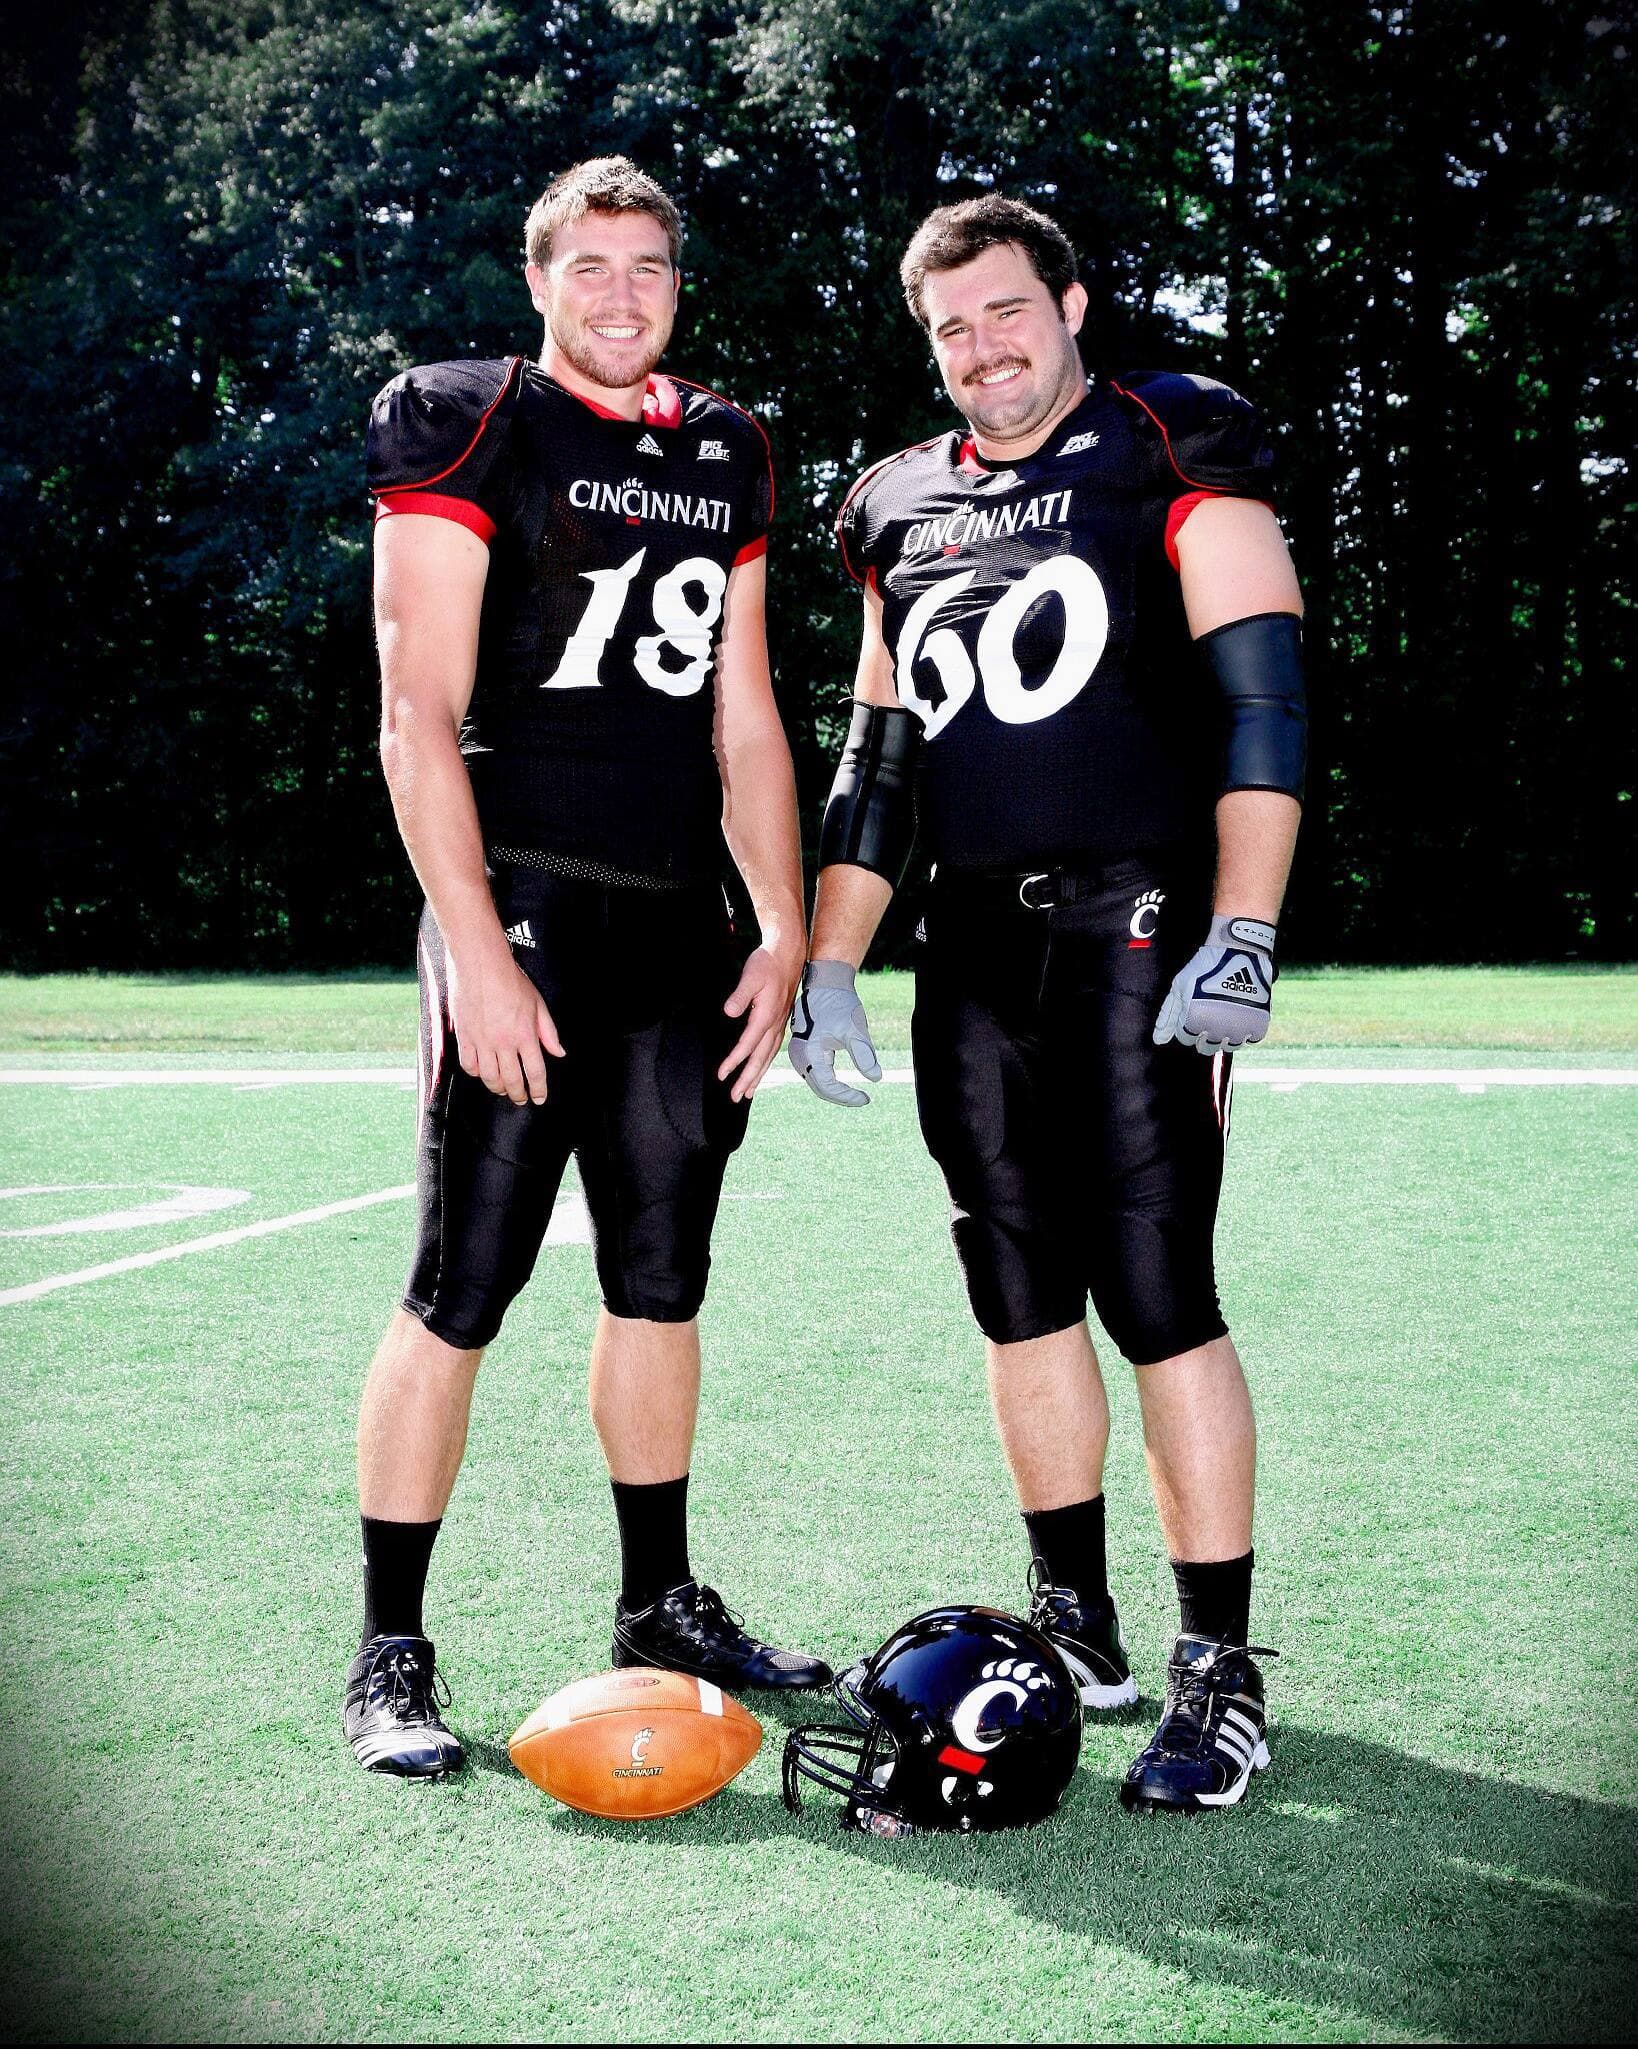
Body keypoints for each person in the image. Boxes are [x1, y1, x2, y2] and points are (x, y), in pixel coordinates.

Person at [790, 195, 1306, 1814]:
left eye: (1006, 312)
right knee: (1012, 1286)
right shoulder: (891, 501)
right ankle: (1072, 1611)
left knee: (1157, 1289)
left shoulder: (1167, 442)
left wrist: (1246, 930)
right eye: (949, 327)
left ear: (1068, 301)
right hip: (969, 950)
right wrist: (826, 952)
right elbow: (879, 760)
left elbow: (1262, 710)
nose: (981, 349)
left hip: (1139, 923)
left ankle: (1216, 1666)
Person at [346, 156, 828, 1778]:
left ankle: (656, 1599)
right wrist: (475, 951)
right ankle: (391, 1645)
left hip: (676, 923)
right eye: (591, 267)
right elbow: (416, 711)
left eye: (649, 269)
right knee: (462, 1279)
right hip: (528, 905)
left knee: (662, 1274)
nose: (622, 295)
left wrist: (786, 924)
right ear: (539, 278)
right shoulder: (469, 418)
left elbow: (746, 714)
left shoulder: (728, 444)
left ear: (676, 285)